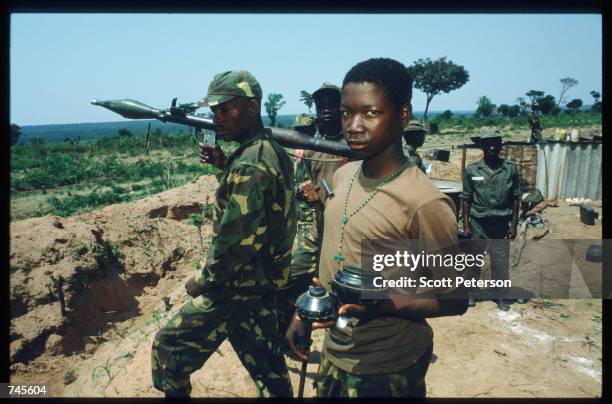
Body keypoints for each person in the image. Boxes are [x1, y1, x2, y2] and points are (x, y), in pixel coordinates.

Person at [286, 58, 468, 398]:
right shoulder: (342, 176)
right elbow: (334, 255)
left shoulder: (423, 202)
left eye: (370, 113)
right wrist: (307, 310)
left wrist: (379, 305)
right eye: (346, 113)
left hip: (389, 366)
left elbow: (456, 299)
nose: (353, 126)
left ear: (403, 115)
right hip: (336, 352)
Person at [151, 70, 296, 397]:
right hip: (260, 283)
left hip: (236, 285)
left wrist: (203, 280)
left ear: (252, 107)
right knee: (268, 369)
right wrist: (224, 164)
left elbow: (236, 242)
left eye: (225, 108)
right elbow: (261, 203)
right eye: (214, 110)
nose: (217, 118)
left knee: (168, 348)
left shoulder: (250, 165)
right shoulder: (267, 151)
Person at [460, 131, 521, 310]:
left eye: (496, 143)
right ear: (482, 147)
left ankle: (501, 295)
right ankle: (471, 293)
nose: (492, 147)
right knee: (473, 260)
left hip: (501, 224)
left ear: (501, 145)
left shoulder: (510, 169)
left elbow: (516, 198)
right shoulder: (472, 170)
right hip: (478, 223)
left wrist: (514, 225)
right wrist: (466, 226)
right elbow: (466, 198)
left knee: (500, 261)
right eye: (488, 144)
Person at [276, 113, 320, 339]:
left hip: (313, 230)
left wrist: (317, 194)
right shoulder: (294, 157)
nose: (301, 135)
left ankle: (295, 336)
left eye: (306, 131)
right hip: (295, 228)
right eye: (298, 131)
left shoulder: (321, 156)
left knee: (289, 281)